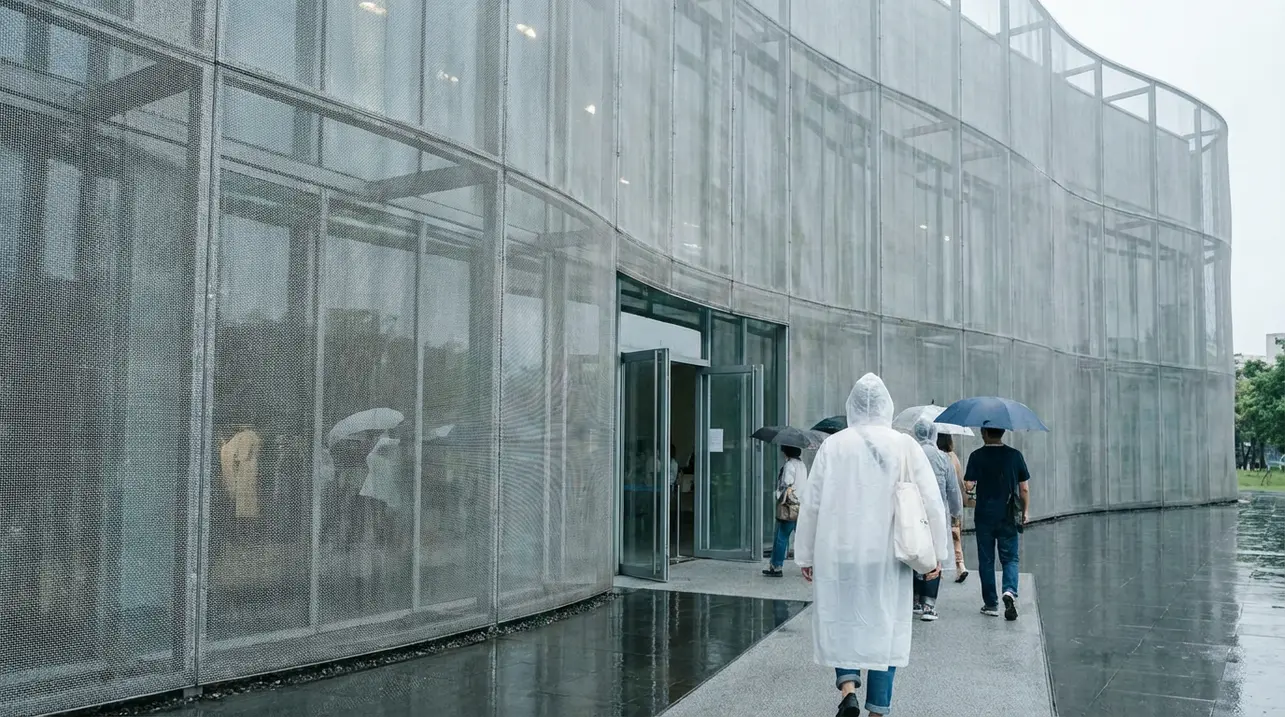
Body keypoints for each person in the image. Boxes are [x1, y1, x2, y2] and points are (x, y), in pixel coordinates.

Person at [795, 374, 950, 717]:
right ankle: (877, 710)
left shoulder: (833, 446)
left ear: (852, 405)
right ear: (886, 405)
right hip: (887, 554)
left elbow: (812, 504)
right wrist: (938, 553)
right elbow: (930, 501)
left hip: (840, 551)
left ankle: (848, 688)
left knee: (843, 618)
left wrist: (804, 554)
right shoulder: (905, 445)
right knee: (885, 627)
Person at [964, 427, 1030, 621]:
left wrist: (970, 485)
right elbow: (1024, 488)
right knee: (1010, 558)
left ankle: (991, 604)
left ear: (984, 432)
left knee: (986, 560)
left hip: (984, 515)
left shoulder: (976, 456)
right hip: (1008, 515)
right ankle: (1009, 591)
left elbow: (969, 485)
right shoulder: (1015, 456)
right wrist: (1025, 512)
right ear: (1002, 432)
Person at [910, 417, 962, 621]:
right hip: (935, 514)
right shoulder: (942, 458)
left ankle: (914, 599)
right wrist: (956, 513)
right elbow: (952, 490)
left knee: (914, 555)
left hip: (913, 514)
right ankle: (928, 605)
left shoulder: (910, 454)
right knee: (934, 556)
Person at [763, 445, 807, 577]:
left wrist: (779, 492)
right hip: (801, 505)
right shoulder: (802, 465)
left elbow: (787, 482)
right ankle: (809, 565)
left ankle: (776, 566)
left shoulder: (789, 465)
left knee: (781, 537)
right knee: (802, 538)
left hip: (789, 506)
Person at [937, 433, 971, 583]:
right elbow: (960, 481)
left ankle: (939, 567)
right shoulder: (953, 457)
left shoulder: (936, 457)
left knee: (940, 536)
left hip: (940, 502)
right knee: (956, 534)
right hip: (954, 500)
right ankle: (961, 566)